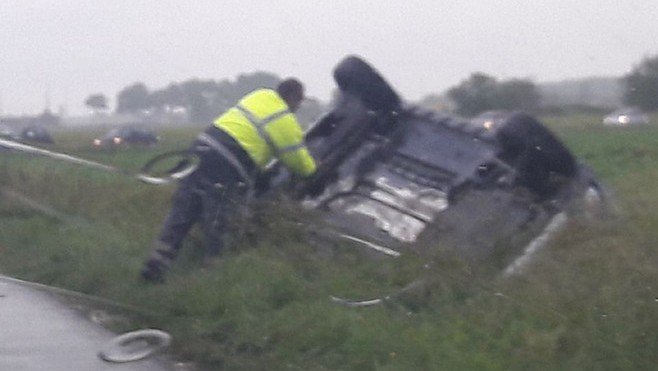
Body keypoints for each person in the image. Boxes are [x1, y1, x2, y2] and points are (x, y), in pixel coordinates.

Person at [141, 78, 317, 282]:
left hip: (201, 148)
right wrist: (315, 166)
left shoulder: (259, 95)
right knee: (217, 220)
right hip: (227, 164)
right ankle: (211, 276)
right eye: (300, 102)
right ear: (295, 98)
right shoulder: (285, 121)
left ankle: (156, 265)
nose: (298, 107)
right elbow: (301, 165)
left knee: (184, 209)